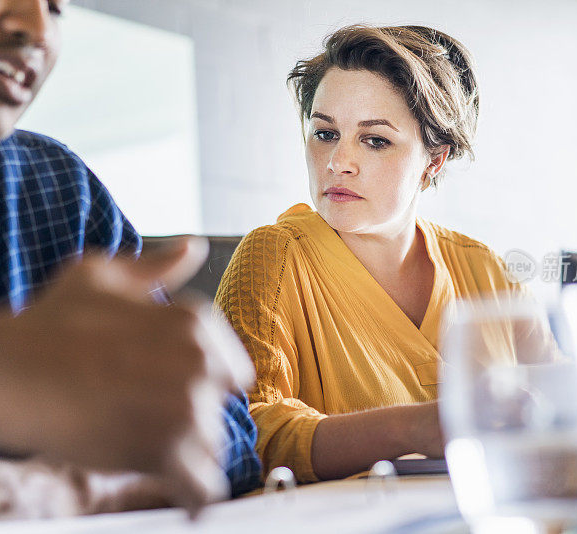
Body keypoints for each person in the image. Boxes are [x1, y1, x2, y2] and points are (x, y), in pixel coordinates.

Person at [0, 0, 259, 522]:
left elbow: (226, 436)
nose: (37, 29)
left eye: (57, 7)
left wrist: (63, 489)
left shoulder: (57, 189)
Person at [216, 24, 545, 483]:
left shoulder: (483, 269)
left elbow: (562, 403)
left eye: (375, 140)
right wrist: (412, 427)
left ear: (434, 162)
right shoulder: (274, 257)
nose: (337, 163)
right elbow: (243, 439)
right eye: (325, 133)